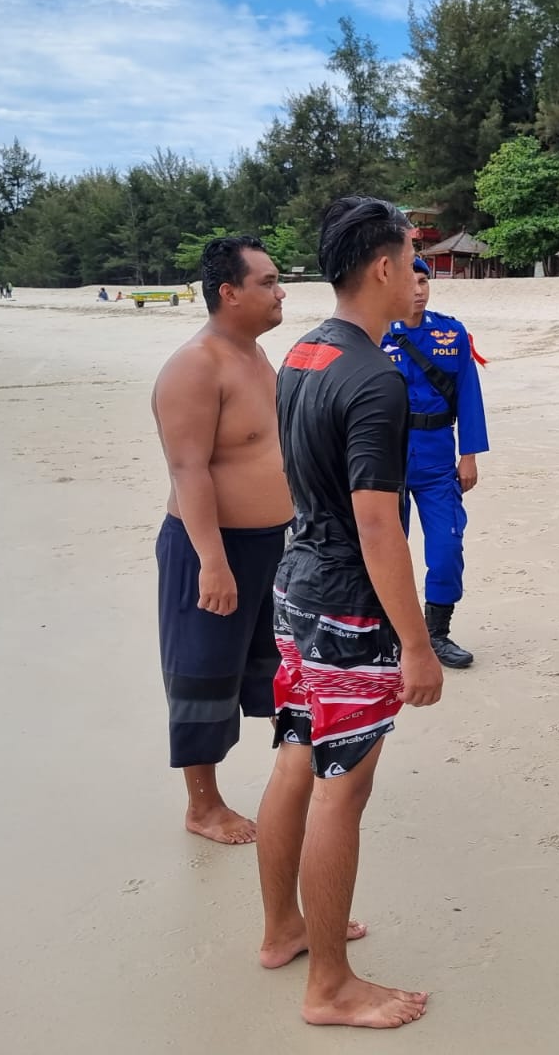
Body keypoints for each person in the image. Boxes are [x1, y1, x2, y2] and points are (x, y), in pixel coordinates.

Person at [257, 197, 442, 1029]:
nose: (416, 276)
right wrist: (417, 642)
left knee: (298, 753)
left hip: (294, 585)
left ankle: (284, 929)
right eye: (409, 259)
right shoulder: (375, 377)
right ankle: (329, 985)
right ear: (380, 266)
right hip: (346, 608)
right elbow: (377, 522)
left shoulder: (303, 352)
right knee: (343, 784)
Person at [150, 234, 291, 843]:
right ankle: (202, 806)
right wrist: (212, 561)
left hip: (270, 545)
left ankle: (288, 776)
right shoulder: (196, 364)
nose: (281, 291)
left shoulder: (257, 357)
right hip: (210, 547)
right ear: (228, 293)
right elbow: (189, 469)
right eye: (267, 282)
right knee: (202, 673)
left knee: (269, 668)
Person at [381, 256, 489, 668]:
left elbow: (469, 396)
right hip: (385, 457)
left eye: (425, 280)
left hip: (437, 458)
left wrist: (469, 455)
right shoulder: (374, 334)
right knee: (389, 547)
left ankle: (437, 634)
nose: (419, 289)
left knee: (446, 545)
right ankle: (390, 633)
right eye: (412, 280)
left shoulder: (451, 332)